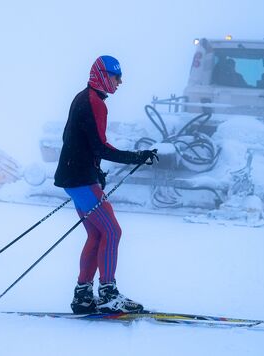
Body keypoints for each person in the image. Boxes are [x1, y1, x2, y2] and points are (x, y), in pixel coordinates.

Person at [54, 55, 158, 314]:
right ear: (102, 74)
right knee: (112, 232)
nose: (120, 82)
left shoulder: (84, 98)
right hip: (80, 179)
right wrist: (137, 156)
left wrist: (95, 169)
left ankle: (82, 296)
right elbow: (99, 146)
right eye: (116, 76)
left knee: (97, 234)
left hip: (74, 178)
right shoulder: (94, 103)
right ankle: (108, 293)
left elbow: (73, 138)